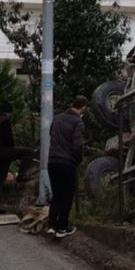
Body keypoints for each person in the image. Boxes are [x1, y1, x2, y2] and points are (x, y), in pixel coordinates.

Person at [47, 96, 88, 238]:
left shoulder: (57, 118)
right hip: (67, 163)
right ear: (83, 107)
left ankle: (52, 225)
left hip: (52, 161)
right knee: (67, 195)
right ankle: (62, 227)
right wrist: (79, 159)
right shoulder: (78, 122)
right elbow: (77, 144)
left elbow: (50, 134)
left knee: (57, 194)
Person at [0, 102, 33, 216]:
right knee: (28, 152)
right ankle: (21, 175)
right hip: (4, 151)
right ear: (8, 111)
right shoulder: (5, 121)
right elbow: (9, 139)